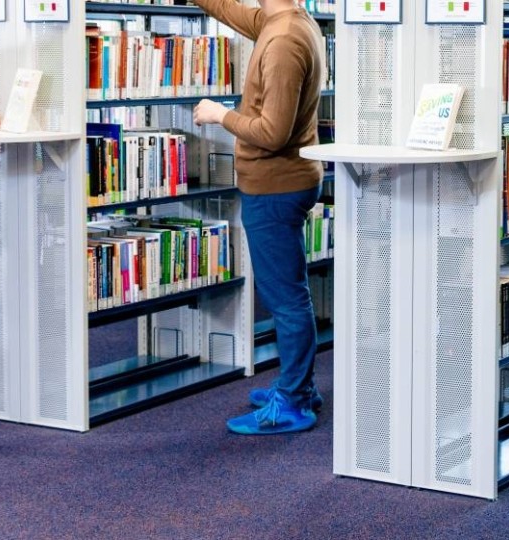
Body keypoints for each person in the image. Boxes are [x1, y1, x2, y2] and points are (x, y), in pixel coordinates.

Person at [189, 0, 329, 435]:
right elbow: (234, 13)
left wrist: (220, 114)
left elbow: (273, 131)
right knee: (289, 292)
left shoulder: (285, 40)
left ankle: (293, 401)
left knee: (286, 299)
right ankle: (297, 387)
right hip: (282, 182)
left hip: (276, 185)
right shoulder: (284, 20)